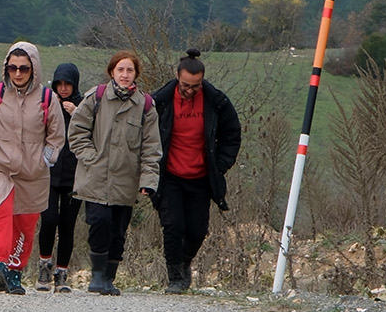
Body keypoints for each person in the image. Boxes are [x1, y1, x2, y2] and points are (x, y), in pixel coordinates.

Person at [0, 43, 64, 295]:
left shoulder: (47, 98)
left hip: (33, 172)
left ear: (33, 69)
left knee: (25, 223)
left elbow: (57, 134)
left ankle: (14, 272)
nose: (18, 73)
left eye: (23, 68)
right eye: (13, 67)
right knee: (0, 209)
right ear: (6, 68)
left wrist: (46, 159)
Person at [68, 51, 162, 296]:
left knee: (118, 230)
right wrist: (92, 159)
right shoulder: (96, 97)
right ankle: (97, 276)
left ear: (136, 75)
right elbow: (76, 132)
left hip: (126, 179)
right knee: (99, 222)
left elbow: (152, 147)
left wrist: (148, 180)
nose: (124, 74)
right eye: (120, 69)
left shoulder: (146, 106)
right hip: (95, 177)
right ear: (112, 72)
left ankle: (110, 277)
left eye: (129, 70)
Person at [151, 50, 241, 294]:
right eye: (185, 85)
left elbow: (232, 135)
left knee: (198, 230)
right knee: (173, 226)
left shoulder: (216, 102)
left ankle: (185, 260)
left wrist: (219, 166)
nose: (189, 91)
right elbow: (143, 137)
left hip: (201, 178)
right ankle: (175, 277)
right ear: (177, 77)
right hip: (168, 175)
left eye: (195, 86)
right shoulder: (159, 101)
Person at [35, 62, 84, 291]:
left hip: (75, 175)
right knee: (49, 219)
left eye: (68, 84)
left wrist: (77, 115)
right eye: (60, 84)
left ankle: (62, 272)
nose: (63, 89)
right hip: (48, 173)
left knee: (67, 225)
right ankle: (44, 265)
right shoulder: (46, 103)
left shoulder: (84, 105)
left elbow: (94, 132)